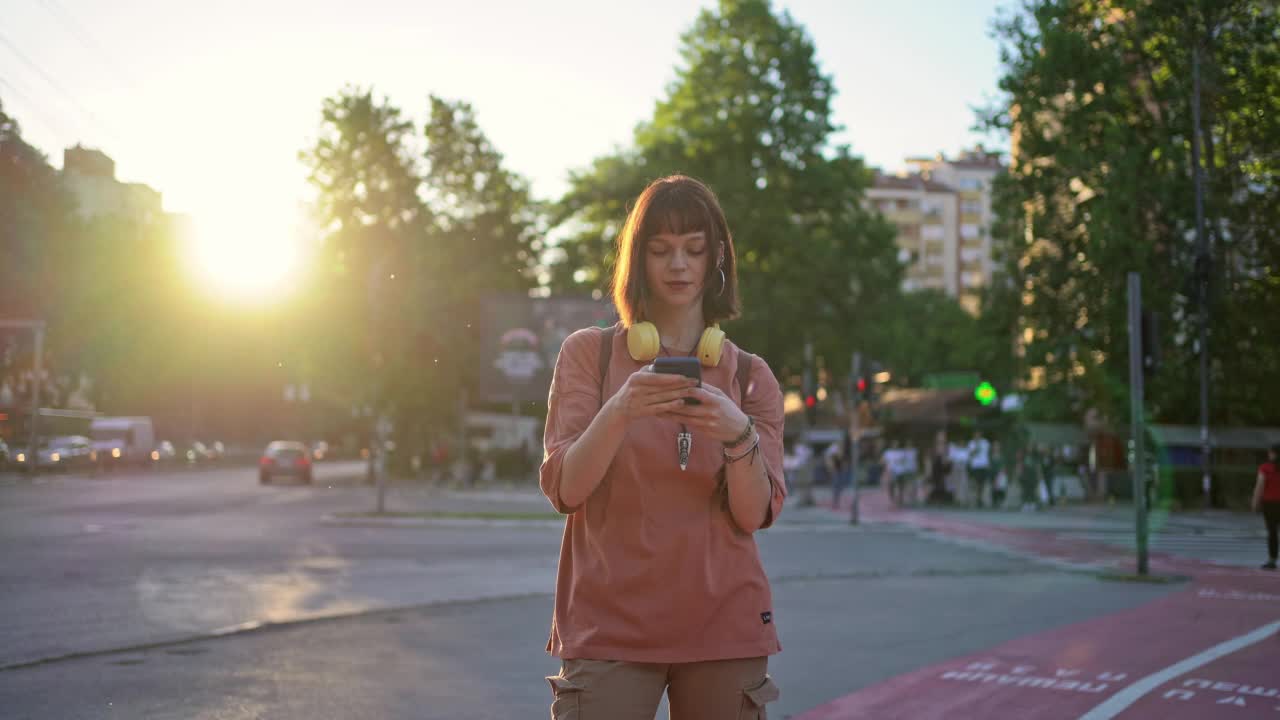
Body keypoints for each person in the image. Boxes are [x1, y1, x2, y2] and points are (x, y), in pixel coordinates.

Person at [539, 175, 784, 719]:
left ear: (716, 257)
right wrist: (621, 408)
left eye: (694, 249)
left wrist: (738, 434)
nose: (678, 265)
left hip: (725, 627)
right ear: (638, 259)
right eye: (661, 250)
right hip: (609, 628)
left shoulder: (749, 376)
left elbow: (751, 513)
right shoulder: (589, 356)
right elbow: (566, 490)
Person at [1251, 444, 1280, 570]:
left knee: (1272, 532)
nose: (1269, 454)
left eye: (1270, 452)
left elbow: (1260, 486)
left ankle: (1272, 560)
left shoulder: (1265, 468)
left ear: (1273, 453)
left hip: (1270, 504)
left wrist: (1255, 502)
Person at [967, 432, 993, 507]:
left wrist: (989, 463)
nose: (977, 436)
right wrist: (977, 446)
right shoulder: (971, 443)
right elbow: (971, 454)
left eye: (978, 435)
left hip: (984, 465)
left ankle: (981, 499)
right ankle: (975, 500)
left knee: (982, 484)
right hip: (975, 466)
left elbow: (988, 453)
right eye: (976, 435)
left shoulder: (985, 443)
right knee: (975, 483)